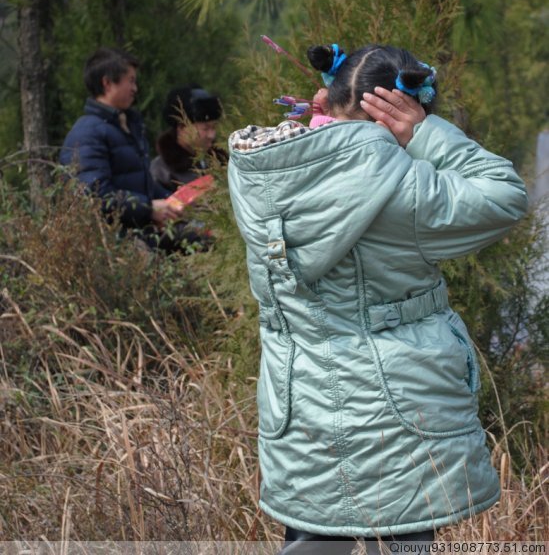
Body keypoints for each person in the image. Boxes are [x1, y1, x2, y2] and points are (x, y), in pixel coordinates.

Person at [227, 43, 528, 554]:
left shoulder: (263, 171)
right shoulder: (403, 189)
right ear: (399, 106)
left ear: (333, 93)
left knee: (310, 545)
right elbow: (505, 194)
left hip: (300, 416)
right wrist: (425, 133)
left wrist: (327, 121)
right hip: (395, 425)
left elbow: (330, 156)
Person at [59, 47, 198, 251]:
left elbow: (141, 183)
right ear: (107, 83)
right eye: (130, 80)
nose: (135, 88)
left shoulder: (126, 125)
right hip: (115, 247)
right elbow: (94, 197)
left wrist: (176, 199)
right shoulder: (87, 134)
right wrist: (148, 209)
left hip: (143, 234)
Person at [151, 84, 227, 192]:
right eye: (205, 129)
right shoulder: (161, 171)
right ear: (182, 128)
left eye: (214, 127)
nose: (212, 135)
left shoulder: (220, 163)